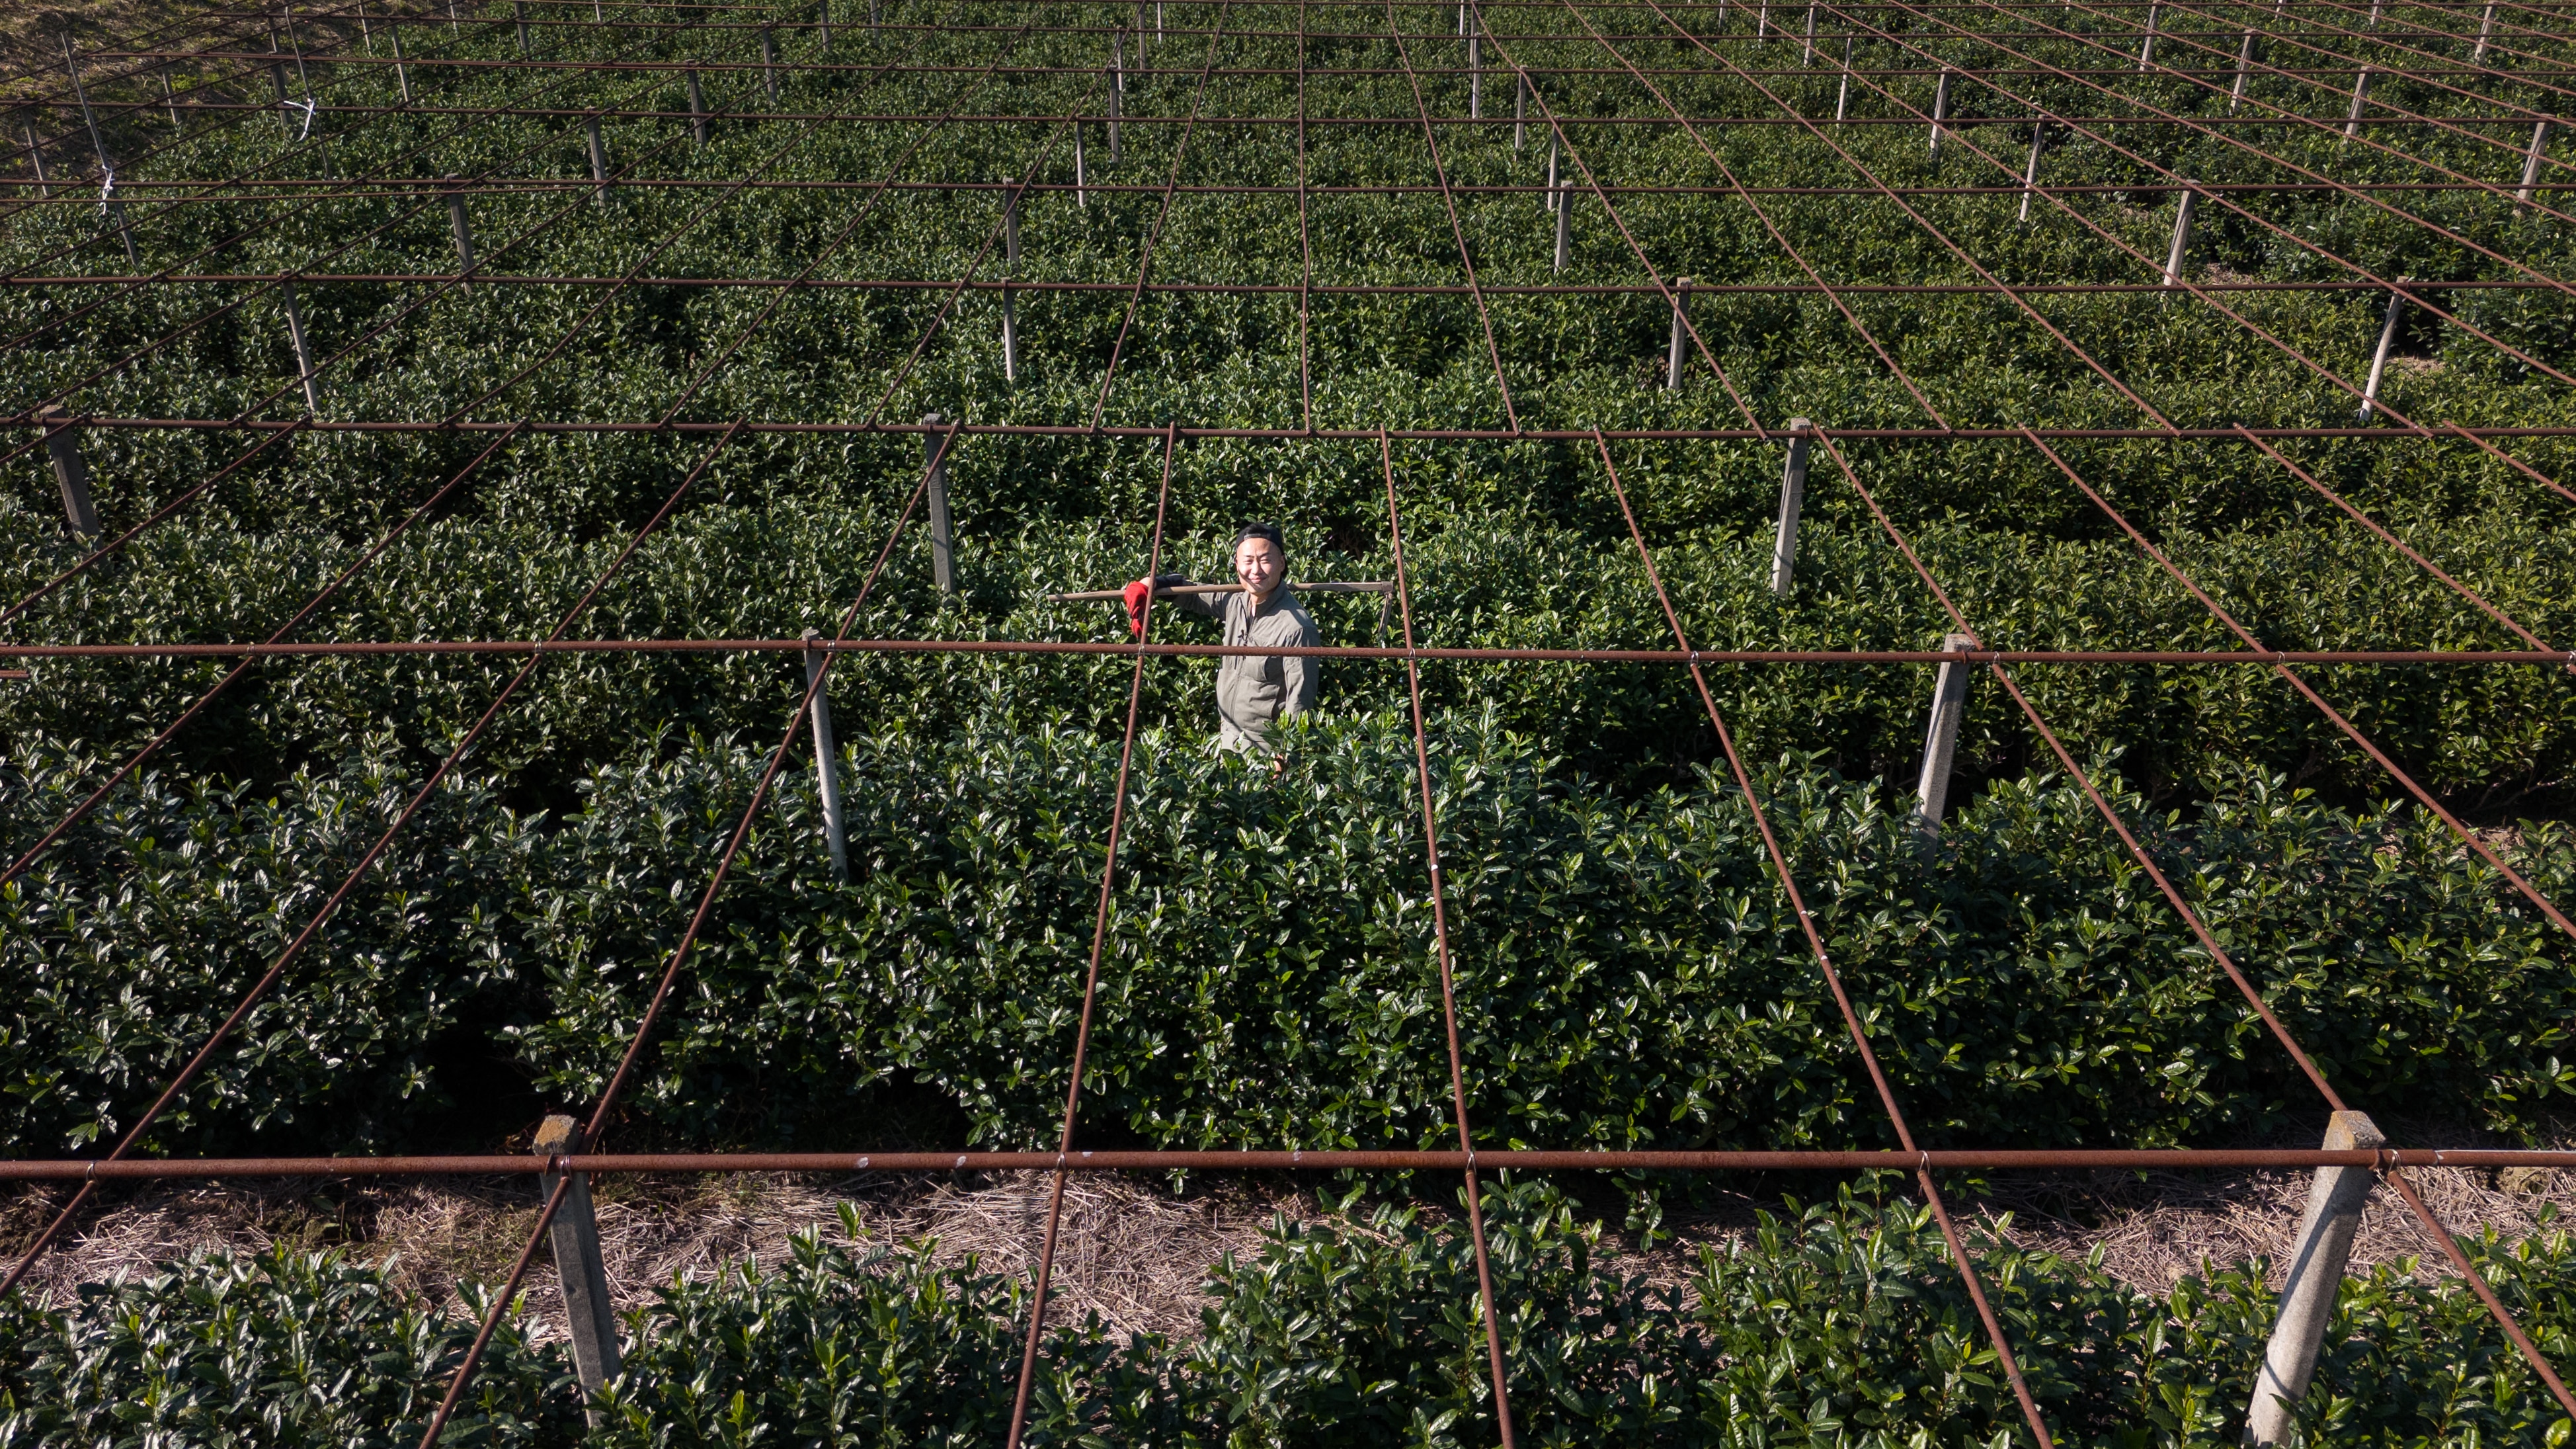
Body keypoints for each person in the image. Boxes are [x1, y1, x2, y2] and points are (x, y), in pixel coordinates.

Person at [1123, 524, 1318, 753]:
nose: (1256, 570)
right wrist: (1150, 584)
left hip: (1267, 747)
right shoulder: (1236, 602)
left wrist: (1285, 755)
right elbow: (1193, 594)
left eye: (1265, 560)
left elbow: (1300, 702)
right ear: (1237, 564)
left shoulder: (1297, 627)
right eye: (1248, 561)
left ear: (1282, 563)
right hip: (1228, 736)